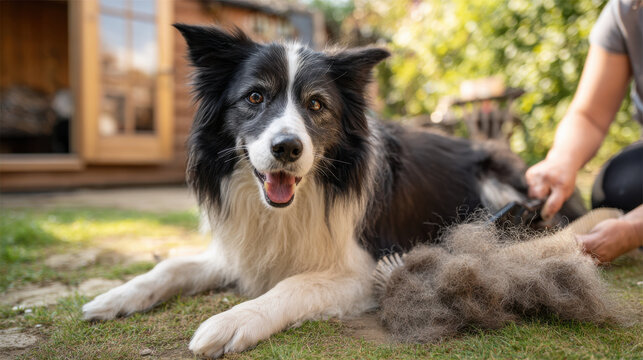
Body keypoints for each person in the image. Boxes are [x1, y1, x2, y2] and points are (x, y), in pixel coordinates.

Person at [526, 0, 643, 264]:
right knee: (617, 189)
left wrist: (634, 229)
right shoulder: (625, 11)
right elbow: (590, 116)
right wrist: (561, 161)